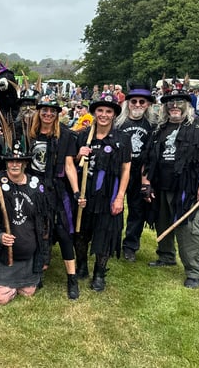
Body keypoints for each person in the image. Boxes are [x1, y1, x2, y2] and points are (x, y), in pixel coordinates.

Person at [142, 89, 199, 289]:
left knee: (189, 230)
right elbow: (150, 158)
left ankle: (194, 271)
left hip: (188, 188)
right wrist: (147, 182)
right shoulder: (160, 129)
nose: (174, 106)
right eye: (170, 102)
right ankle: (166, 256)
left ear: (188, 104)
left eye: (179, 102)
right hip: (162, 185)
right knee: (163, 223)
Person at [0, 141, 51, 304]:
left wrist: (44, 255)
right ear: (6, 163)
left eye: (19, 161)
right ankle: (1, 283)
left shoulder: (35, 187)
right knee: (1, 299)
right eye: (10, 161)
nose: (14, 164)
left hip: (27, 257)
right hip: (1, 257)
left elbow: (44, 222)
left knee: (28, 292)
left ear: (25, 163)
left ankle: (22, 280)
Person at [74, 94, 131, 292]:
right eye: (100, 110)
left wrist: (120, 197)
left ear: (114, 114)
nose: (104, 115)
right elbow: (71, 165)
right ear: (94, 113)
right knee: (81, 232)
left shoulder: (122, 139)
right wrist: (78, 155)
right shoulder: (83, 136)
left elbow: (126, 169)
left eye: (108, 111)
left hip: (108, 194)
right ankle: (81, 266)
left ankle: (99, 273)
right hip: (84, 193)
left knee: (105, 234)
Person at [26, 97, 81, 299]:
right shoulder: (30, 134)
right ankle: (37, 271)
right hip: (33, 189)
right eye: (44, 110)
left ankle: (72, 279)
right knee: (37, 231)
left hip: (56, 191)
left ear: (57, 114)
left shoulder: (65, 135)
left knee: (64, 232)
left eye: (52, 111)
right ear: (38, 113)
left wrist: (76, 191)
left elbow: (69, 166)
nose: (48, 114)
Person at [115, 83, 156, 262]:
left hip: (140, 174)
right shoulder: (118, 122)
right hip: (118, 172)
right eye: (134, 101)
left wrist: (147, 180)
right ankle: (111, 241)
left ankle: (130, 245)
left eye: (142, 101)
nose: (138, 105)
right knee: (113, 208)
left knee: (137, 210)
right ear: (128, 102)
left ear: (147, 104)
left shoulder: (153, 125)